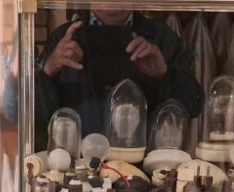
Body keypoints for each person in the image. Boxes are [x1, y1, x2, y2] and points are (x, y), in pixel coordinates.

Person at [37, 9, 204, 138]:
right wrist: (48, 70)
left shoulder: (162, 37)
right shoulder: (63, 39)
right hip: (76, 164)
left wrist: (165, 75)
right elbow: (37, 119)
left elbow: (193, 107)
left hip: (145, 166)